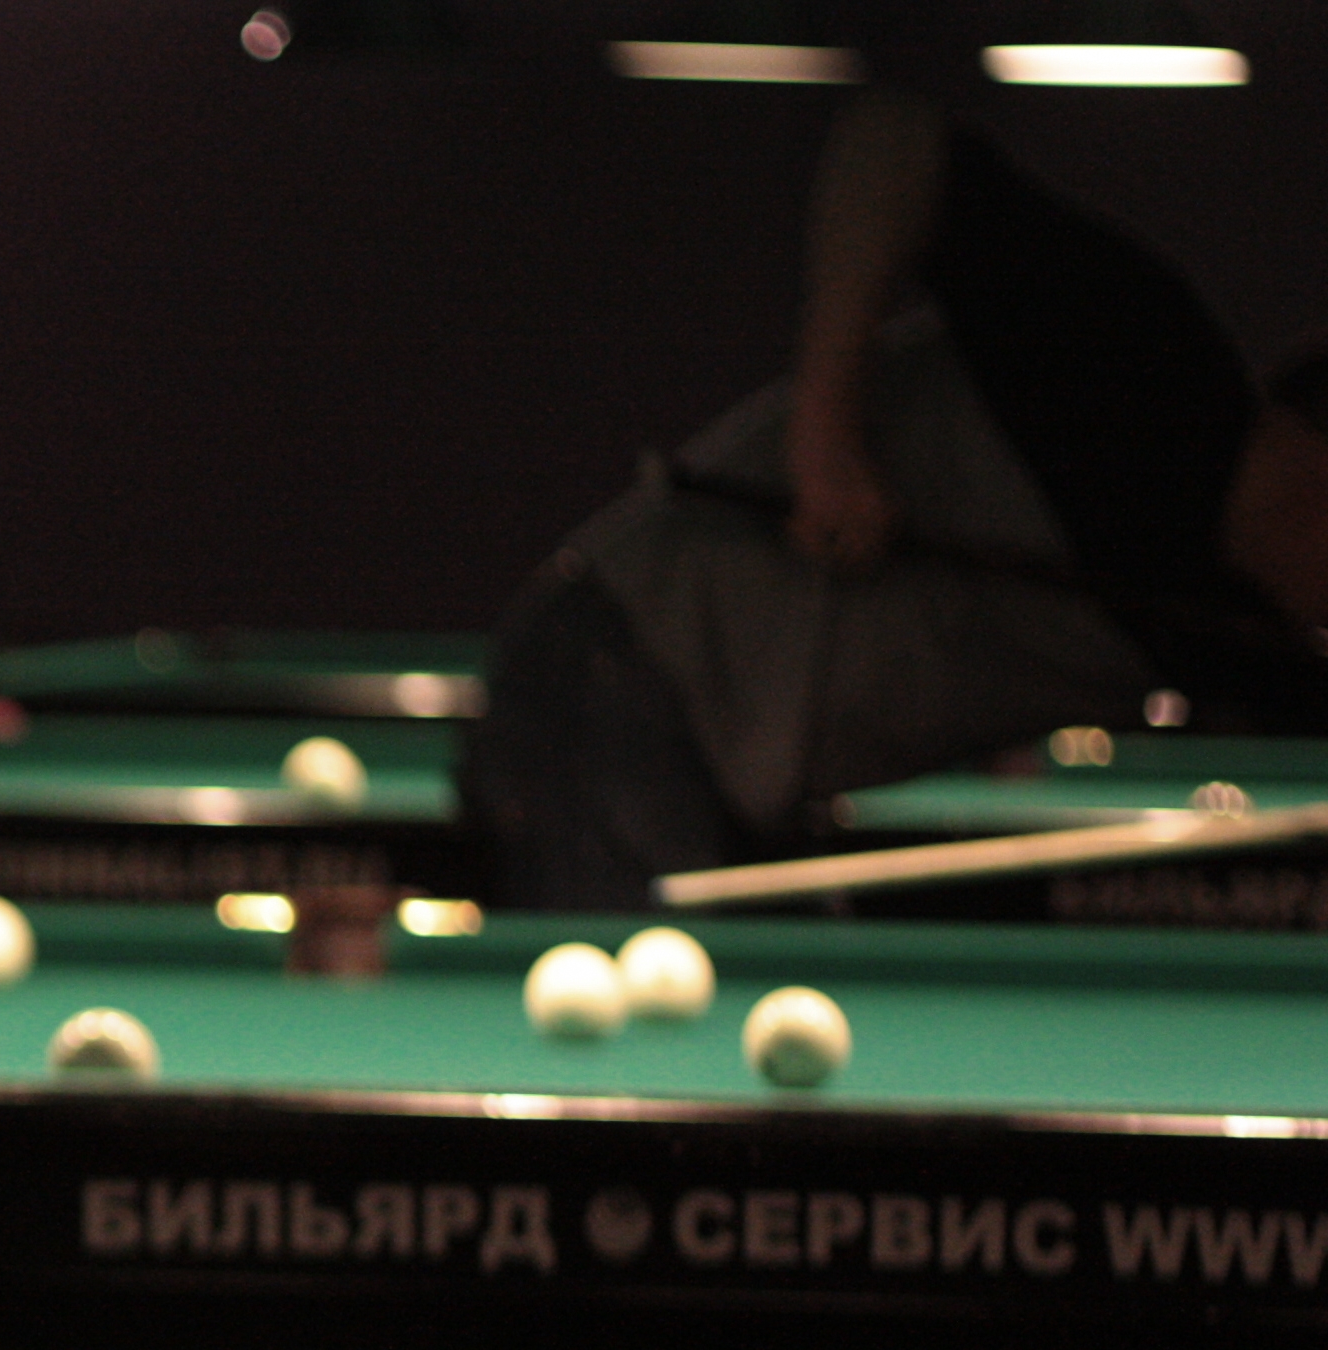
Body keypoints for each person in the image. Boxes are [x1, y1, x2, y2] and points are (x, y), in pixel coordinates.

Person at [459, 90, 1328, 910]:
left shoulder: (1251, 631)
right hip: (616, 674)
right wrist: (825, 434)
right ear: (1309, 469)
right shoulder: (1140, 363)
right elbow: (891, 142)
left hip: (748, 773)